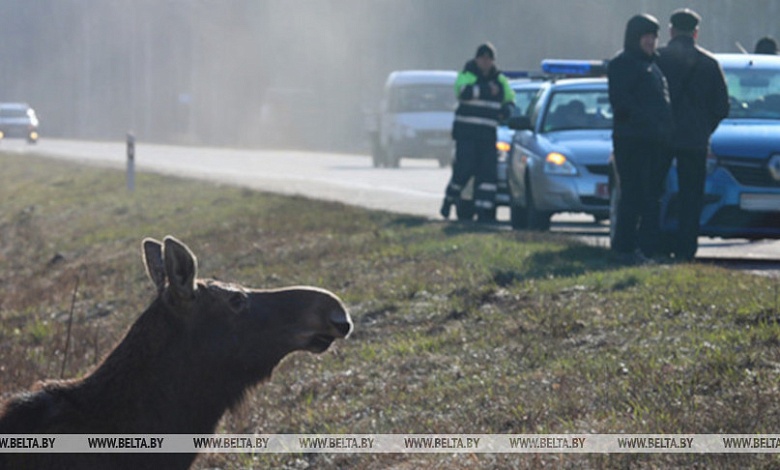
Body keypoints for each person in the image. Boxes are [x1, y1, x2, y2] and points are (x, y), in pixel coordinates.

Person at [657, 8, 729, 261]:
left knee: (653, 192)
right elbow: (722, 107)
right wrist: (704, 128)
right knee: (691, 196)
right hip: (695, 140)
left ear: (671, 30)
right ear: (696, 33)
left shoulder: (657, 59)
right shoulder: (709, 64)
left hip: (660, 138)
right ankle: (686, 249)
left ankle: (654, 243)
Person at [607, 14, 674, 263]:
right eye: (646, 36)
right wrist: (648, 121)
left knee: (652, 198)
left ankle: (647, 249)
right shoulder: (622, 64)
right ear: (635, 38)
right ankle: (626, 248)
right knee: (633, 196)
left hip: (655, 143)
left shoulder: (654, 67)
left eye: (654, 37)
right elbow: (622, 103)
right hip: (633, 141)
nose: (651, 42)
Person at [440, 42, 515, 222]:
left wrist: (505, 111)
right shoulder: (467, 74)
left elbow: (510, 100)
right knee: (463, 172)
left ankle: (484, 214)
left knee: (488, 176)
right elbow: (463, 92)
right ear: (477, 59)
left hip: (487, 137)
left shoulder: (500, 80)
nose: (485, 62)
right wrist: (488, 90)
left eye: (489, 59)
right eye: (482, 58)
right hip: (466, 136)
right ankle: (449, 200)